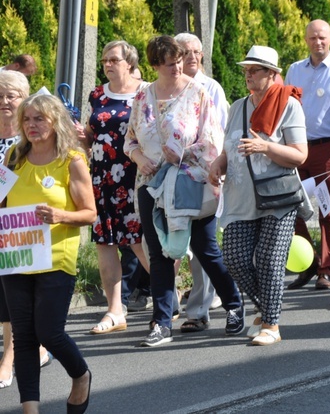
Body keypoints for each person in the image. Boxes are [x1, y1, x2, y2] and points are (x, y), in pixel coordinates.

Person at [124, 35, 244, 347]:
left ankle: (234, 305)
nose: (178, 67)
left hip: (192, 181)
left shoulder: (198, 93)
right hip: (151, 185)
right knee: (161, 254)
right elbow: (131, 140)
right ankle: (162, 322)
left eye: (179, 61)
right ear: (154, 65)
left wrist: (182, 155)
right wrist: (141, 158)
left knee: (206, 249)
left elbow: (212, 138)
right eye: (170, 64)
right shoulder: (142, 97)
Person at [209, 45, 308, 345]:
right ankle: (266, 307)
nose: (248, 74)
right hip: (240, 195)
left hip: (277, 196)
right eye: (246, 70)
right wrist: (218, 162)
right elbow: (230, 145)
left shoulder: (289, 104)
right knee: (235, 258)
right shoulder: (238, 106)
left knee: (269, 259)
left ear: (272, 74)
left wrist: (266, 147)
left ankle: (271, 325)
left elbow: (300, 155)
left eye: (255, 70)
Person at [2, 94, 96, 413]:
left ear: (55, 122)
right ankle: (31, 409)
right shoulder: (14, 156)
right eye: (27, 119)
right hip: (17, 258)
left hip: (56, 258)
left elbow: (89, 213)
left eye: (39, 119)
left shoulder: (71, 159)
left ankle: (81, 375)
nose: (32, 125)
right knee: (23, 336)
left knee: (49, 332)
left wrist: (60, 216)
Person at [81, 40, 148, 335]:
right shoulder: (98, 94)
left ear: (129, 63)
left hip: (134, 176)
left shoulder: (145, 92)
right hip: (102, 178)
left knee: (138, 242)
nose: (107, 64)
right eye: (105, 60)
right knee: (105, 242)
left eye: (113, 60)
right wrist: (80, 136)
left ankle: (167, 297)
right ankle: (114, 310)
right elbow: (91, 135)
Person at [285, 19, 330, 290]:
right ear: (306, 40)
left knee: (328, 209)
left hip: (328, 148)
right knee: (292, 207)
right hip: (297, 147)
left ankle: (326, 269)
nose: (318, 42)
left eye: (322, 37)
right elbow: (288, 108)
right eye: (313, 37)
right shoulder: (294, 70)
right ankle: (309, 262)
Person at [0, 71, 52, 392]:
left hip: (23, 222)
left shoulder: (31, 134)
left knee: (16, 288)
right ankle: (36, 345)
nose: (4, 102)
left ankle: (12, 353)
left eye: (11, 96)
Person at [174, 32, 229, 331]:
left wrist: (216, 172)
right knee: (168, 243)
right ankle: (167, 308)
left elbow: (218, 135)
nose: (193, 57)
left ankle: (198, 311)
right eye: (185, 52)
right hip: (170, 175)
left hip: (202, 174)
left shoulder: (211, 88)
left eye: (197, 52)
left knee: (201, 245)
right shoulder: (164, 88)